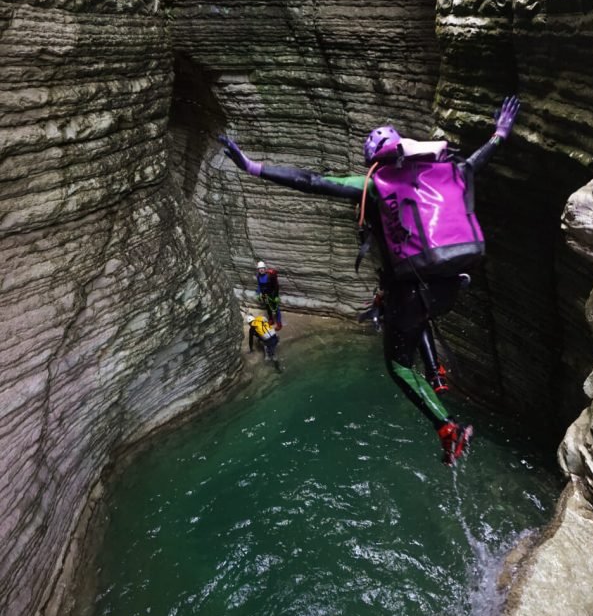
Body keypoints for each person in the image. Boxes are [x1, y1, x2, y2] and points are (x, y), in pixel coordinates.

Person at [220, 97, 519, 464]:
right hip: (450, 286)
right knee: (415, 322)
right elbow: (477, 162)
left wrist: (253, 167)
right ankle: (436, 374)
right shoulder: (445, 174)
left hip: (410, 293)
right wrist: (500, 133)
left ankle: (447, 428)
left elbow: (313, 181)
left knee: (398, 366)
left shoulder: (375, 186)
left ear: (376, 160)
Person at [255, 260, 282, 329]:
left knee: (276, 308)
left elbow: (276, 286)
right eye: (260, 268)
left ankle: (279, 323)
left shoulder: (270, 276)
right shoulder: (258, 276)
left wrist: (276, 296)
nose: (261, 270)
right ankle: (271, 319)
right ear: (258, 269)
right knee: (268, 308)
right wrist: (258, 293)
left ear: (265, 268)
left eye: (262, 268)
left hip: (272, 295)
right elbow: (259, 285)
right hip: (265, 295)